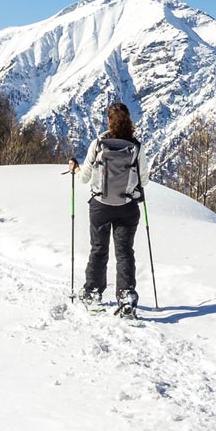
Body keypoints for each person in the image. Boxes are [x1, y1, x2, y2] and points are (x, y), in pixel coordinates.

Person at [68, 102, 148, 312]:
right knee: (124, 252)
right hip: (127, 206)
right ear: (129, 121)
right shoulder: (136, 148)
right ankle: (127, 296)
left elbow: (84, 178)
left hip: (100, 206)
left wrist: (75, 169)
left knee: (99, 249)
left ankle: (92, 292)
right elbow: (145, 180)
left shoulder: (98, 145)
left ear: (108, 121)